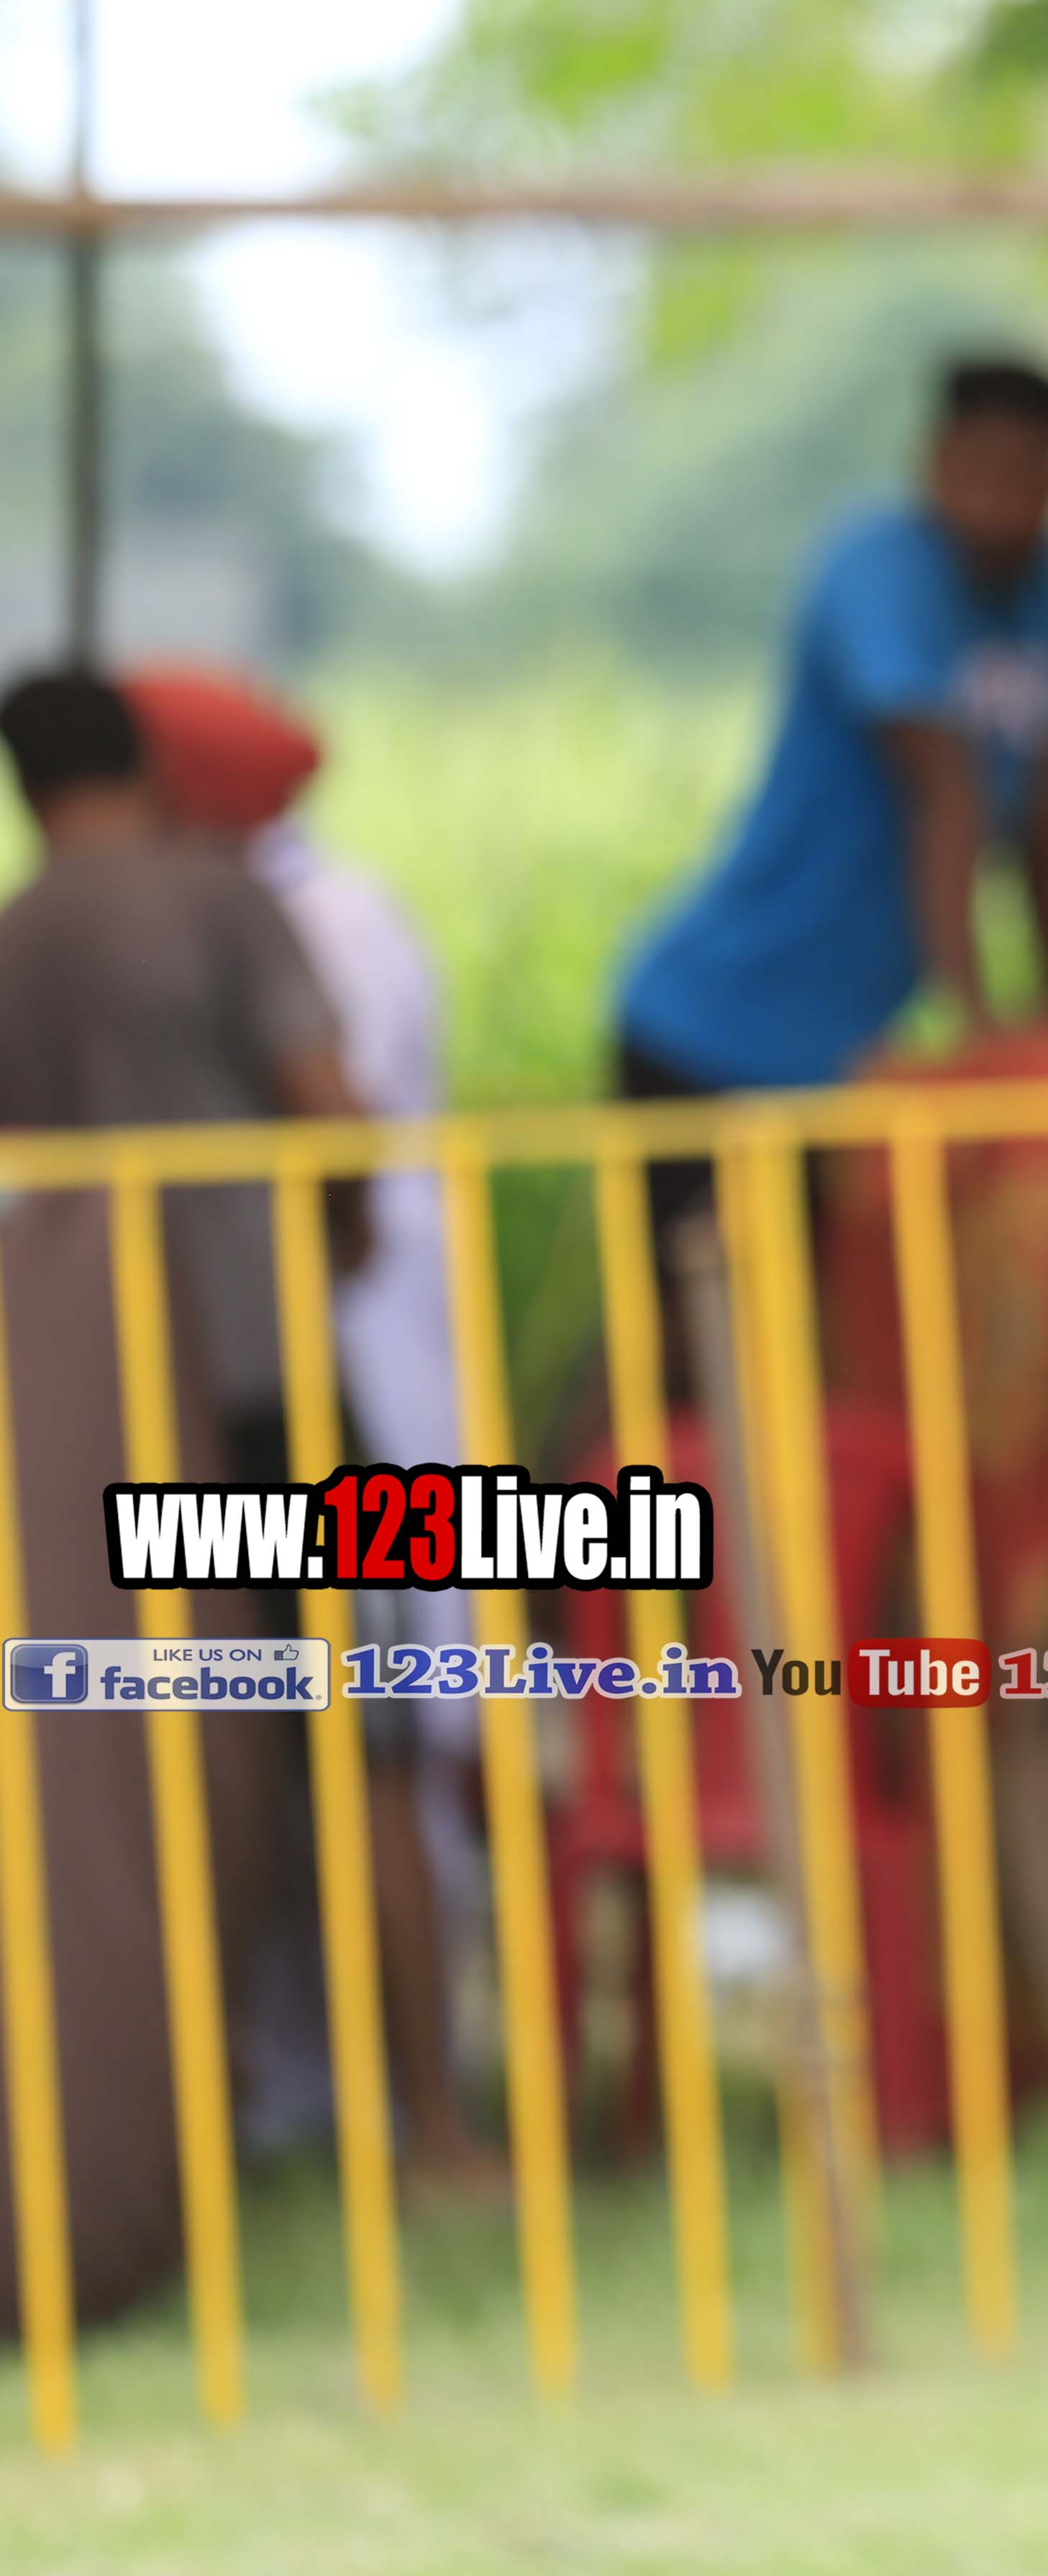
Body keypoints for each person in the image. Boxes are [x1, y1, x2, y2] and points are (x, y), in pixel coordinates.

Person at [127, 664, 500, 2195]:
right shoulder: (301, 909)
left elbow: (329, 1133)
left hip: (346, 1380)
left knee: (383, 1740)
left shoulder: (300, 920)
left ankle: (415, 2101)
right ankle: (320, 2086)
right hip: (324, 1375)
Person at [609, 353, 1048, 1305]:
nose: (1004, 505)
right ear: (934, 465)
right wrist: (979, 1025)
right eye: (983, 472)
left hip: (836, 1055)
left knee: (797, 1328)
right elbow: (945, 789)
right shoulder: (876, 567)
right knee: (695, 1339)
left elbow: (1044, 793)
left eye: (1029, 478)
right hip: (707, 1027)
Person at [0, 670, 365, 1486]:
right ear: (145, 761)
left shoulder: (12, 936)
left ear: (24, 784)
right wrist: (352, 1224)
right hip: (255, 1328)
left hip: (90, 1359)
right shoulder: (221, 897)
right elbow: (330, 1108)